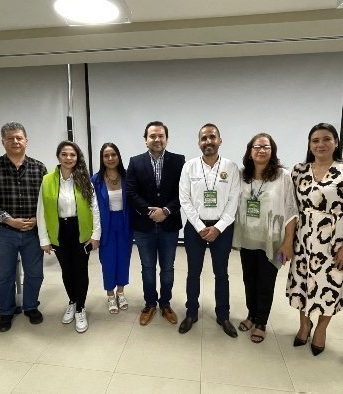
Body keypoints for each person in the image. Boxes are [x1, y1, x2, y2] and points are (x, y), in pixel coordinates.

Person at [287, 123, 343, 355]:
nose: (320, 144)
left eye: (326, 139)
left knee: (330, 286)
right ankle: (304, 326)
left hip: (334, 241)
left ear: (336, 142)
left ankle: (321, 329)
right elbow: (291, 207)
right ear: (309, 145)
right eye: (315, 140)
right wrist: (289, 240)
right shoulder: (299, 170)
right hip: (303, 238)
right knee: (302, 283)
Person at [0, 122, 47, 332]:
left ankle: (30, 307)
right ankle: (7, 312)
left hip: (32, 231)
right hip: (3, 232)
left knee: (35, 274)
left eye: (19, 138)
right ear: (3, 142)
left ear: (26, 141)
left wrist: (38, 220)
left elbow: (46, 200)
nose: (15, 141)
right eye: (10, 138)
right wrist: (9, 220)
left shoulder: (39, 168)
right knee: (4, 275)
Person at [232, 133, 298, 343]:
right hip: (247, 239)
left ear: (272, 152)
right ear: (250, 152)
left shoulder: (283, 176)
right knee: (249, 280)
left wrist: (288, 242)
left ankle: (261, 321)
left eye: (266, 147)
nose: (261, 150)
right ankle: (252, 315)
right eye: (257, 147)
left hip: (273, 241)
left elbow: (291, 210)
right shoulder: (243, 176)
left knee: (266, 282)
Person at [178, 123, 240, 338]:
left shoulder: (231, 168)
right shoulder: (189, 167)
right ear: (199, 143)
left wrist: (218, 227)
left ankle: (223, 315)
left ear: (220, 140)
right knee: (193, 273)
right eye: (204, 138)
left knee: (221, 274)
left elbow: (234, 201)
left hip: (222, 228)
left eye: (212, 137)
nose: (208, 142)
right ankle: (191, 312)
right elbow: (184, 200)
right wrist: (201, 227)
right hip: (196, 227)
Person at [125, 121, 185, 326]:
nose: (157, 139)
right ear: (145, 140)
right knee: (148, 267)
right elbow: (131, 193)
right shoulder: (135, 162)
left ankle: (165, 304)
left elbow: (183, 193)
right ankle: (150, 303)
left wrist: (166, 211)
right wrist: (150, 211)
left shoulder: (179, 161)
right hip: (144, 226)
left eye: (161, 136)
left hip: (169, 224)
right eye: (152, 136)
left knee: (167, 268)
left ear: (166, 139)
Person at [37, 141, 100, 333]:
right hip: (59, 231)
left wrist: (96, 234)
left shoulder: (84, 180)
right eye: (64, 154)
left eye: (72, 155)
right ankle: (72, 301)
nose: (68, 158)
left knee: (80, 271)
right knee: (66, 270)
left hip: (80, 230)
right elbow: (41, 211)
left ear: (77, 157)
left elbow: (94, 209)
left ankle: (80, 308)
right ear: (58, 157)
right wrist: (44, 239)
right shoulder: (47, 180)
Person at [91, 143, 132, 314]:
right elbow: (92, 207)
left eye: (113, 154)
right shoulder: (96, 180)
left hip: (124, 224)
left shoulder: (128, 176)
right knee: (108, 261)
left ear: (118, 156)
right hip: (105, 225)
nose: (110, 158)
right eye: (106, 156)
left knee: (123, 259)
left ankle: (120, 293)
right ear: (102, 159)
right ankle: (110, 295)